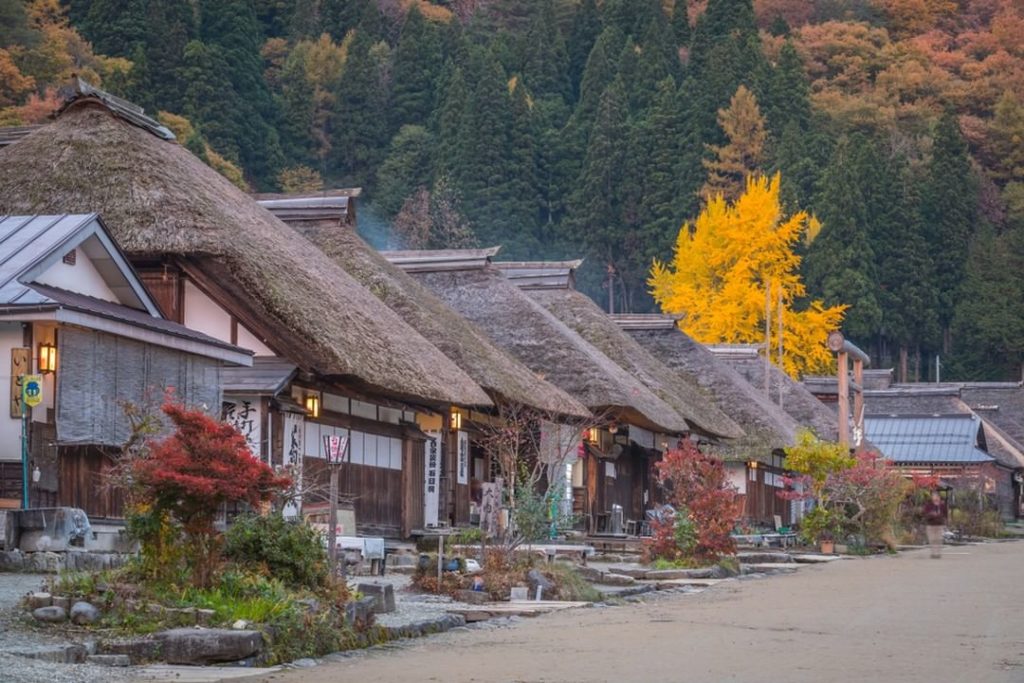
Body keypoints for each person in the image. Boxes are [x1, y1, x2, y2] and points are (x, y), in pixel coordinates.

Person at [922, 491, 948, 558]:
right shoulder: (928, 506)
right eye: (934, 496)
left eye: (937, 497)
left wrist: (945, 522)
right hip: (930, 524)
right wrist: (932, 514)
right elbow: (925, 514)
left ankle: (938, 553)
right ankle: (933, 553)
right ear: (932, 498)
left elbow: (945, 515)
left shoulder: (942, 506)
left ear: (939, 497)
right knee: (932, 539)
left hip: (939, 524)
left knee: (938, 539)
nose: (935, 498)